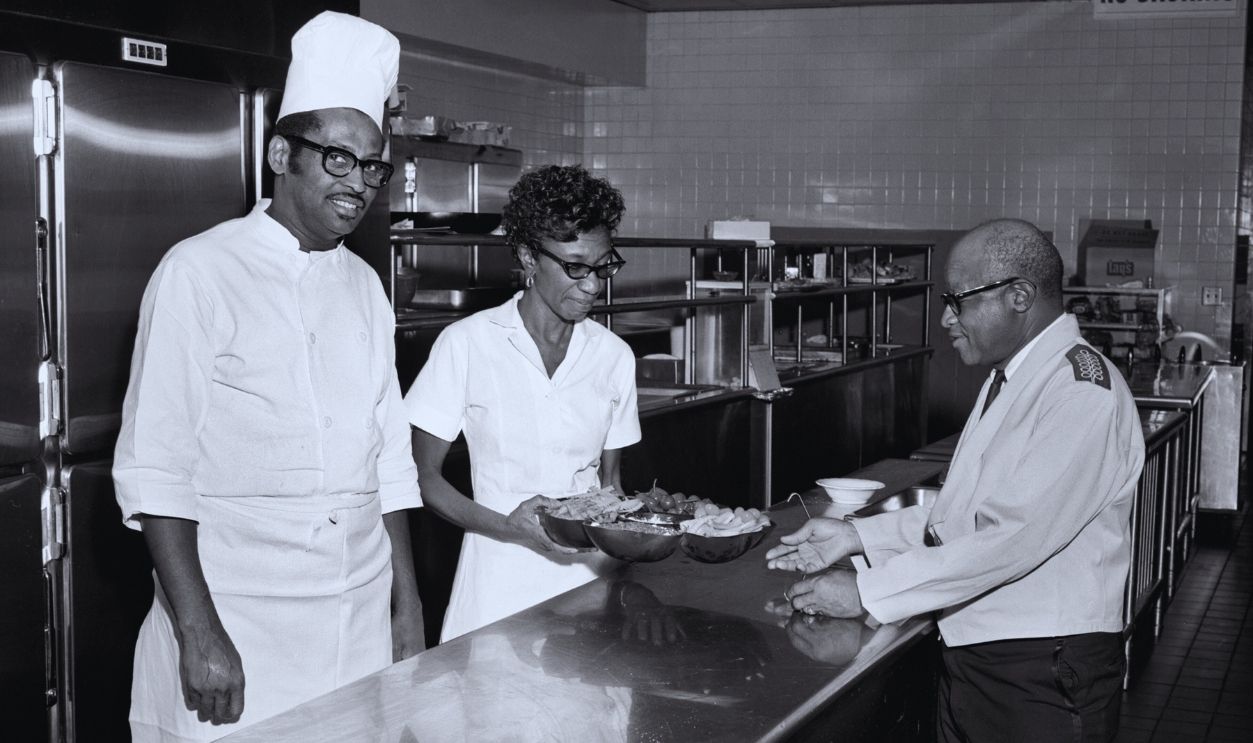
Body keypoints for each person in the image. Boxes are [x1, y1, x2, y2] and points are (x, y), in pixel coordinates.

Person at [113, 12, 423, 741]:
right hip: (239, 624)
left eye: (372, 165)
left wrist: (405, 605)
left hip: (354, 621)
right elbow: (157, 469)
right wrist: (199, 632)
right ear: (281, 154)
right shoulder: (200, 271)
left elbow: (391, 461)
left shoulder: (365, 289)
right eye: (338, 157)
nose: (359, 183)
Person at [766, 218, 1145, 742]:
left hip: (1043, 671)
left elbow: (1009, 538)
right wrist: (857, 536)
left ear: (1019, 295)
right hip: (987, 659)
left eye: (959, 300)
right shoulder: (1013, 376)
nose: (947, 318)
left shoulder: (1079, 392)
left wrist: (866, 592)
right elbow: (968, 510)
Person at [403, 164, 640, 642]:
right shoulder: (468, 344)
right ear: (530, 257)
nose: (593, 285)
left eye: (603, 266)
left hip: (590, 586)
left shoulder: (614, 356)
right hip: (497, 588)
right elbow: (419, 476)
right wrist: (510, 527)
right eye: (574, 267)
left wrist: (645, 543)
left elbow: (610, 486)